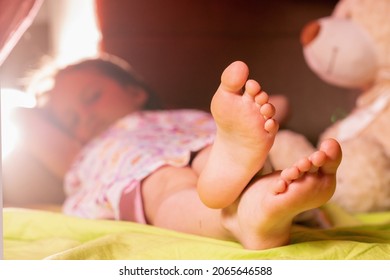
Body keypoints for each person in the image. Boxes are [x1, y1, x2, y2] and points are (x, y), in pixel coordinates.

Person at [4, 54, 342, 250]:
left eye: (92, 97)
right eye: (71, 120)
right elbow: (25, 122)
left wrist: (259, 115)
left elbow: (279, 105)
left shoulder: (177, 119)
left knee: (214, 152)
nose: (86, 117)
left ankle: (245, 191)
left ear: (135, 92)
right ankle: (242, 215)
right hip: (135, 169)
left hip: (201, 142)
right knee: (169, 184)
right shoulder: (86, 152)